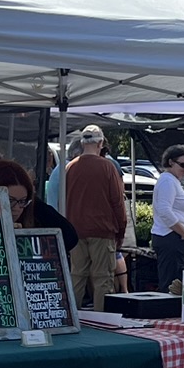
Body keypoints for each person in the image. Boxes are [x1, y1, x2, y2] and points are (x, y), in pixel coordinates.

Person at [64, 126, 128, 309]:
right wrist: (121, 231)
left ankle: (72, 316)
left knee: (77, 276)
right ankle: (102, 321)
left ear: (82, 143)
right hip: (102, 230)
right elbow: (117, 202)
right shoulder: (107, 166)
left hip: (76, 230)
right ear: (100, 143)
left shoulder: (71, 167)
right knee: (103, 279)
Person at [0, 159, 78, 251]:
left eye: (22, 201)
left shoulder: (32, 209)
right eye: (10, 201)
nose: (17, 208)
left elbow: (70, 237)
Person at [149, 144, 184, 291]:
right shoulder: (167, 180)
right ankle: (166, 313)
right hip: (170, 238)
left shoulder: (172, 181)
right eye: (183, 165)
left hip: (173, 238)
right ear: (170, 162)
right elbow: (164, 211)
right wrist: (183, 232)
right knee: (170, 285)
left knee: (174, 285)